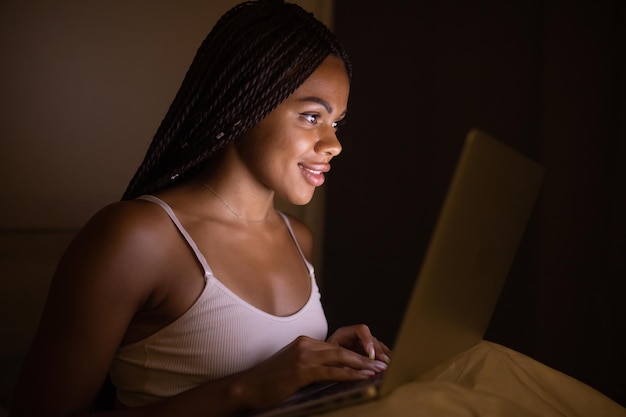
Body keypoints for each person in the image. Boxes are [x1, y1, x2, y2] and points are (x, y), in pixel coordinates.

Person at [13, 1, 391, 416]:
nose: (333, 144)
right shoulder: (137, 238)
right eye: (310, 116)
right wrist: (243, 389)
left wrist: (321, 366)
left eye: (336, 122)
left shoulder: (298, 238)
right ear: (243, 104)